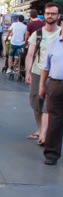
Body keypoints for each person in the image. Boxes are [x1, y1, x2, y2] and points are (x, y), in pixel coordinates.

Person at [25, 3, 61, 146]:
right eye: (47, 13)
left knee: (48, 106)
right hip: (37, 72)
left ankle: (44, 134)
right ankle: (40, 129)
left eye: (53, 13)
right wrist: (27, 72)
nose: (50, 16)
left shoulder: (60, 33)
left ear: (58, 16)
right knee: (36, 103)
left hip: (55, 75)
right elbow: (30, 55)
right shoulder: (38, 34)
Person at [39, 26, 63, 165]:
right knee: (54, 120)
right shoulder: (54, 43)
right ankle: (51, 154)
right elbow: (45, 67)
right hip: (56, 84)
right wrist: (42, 85)